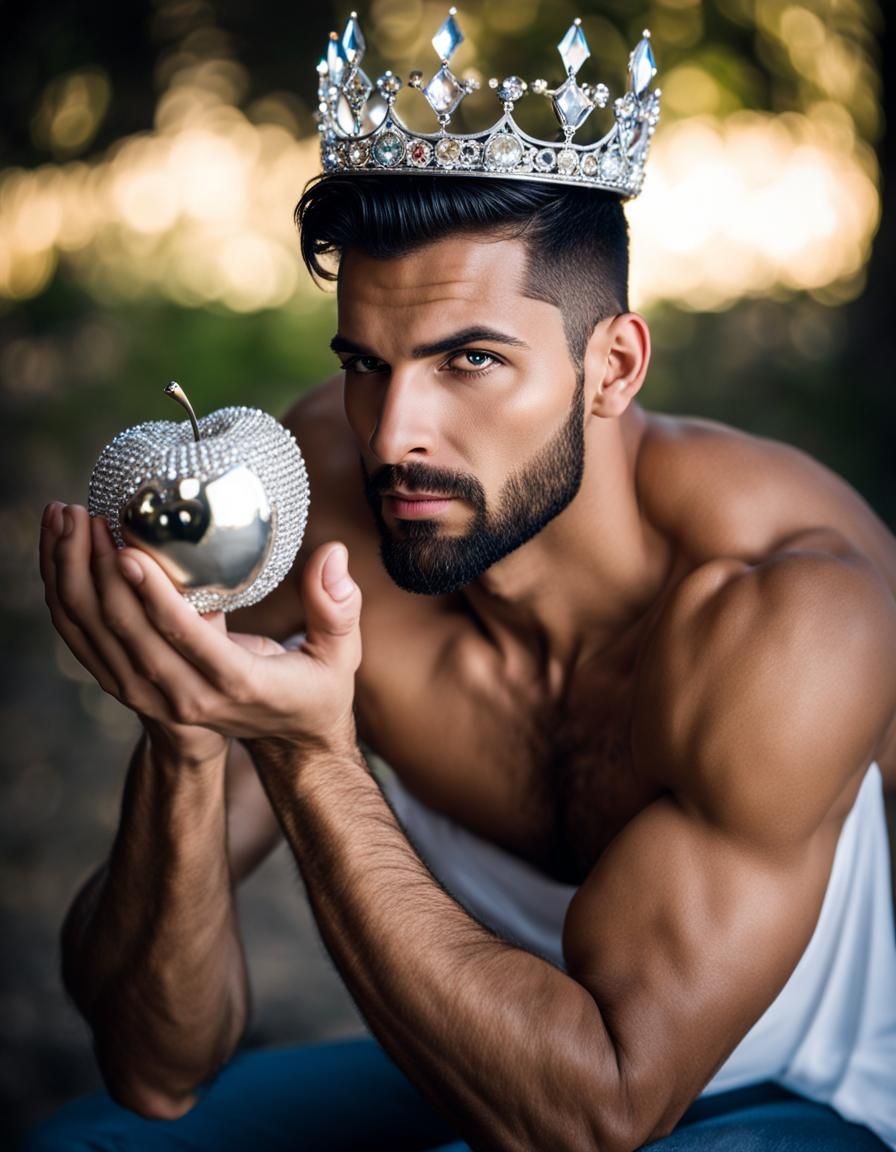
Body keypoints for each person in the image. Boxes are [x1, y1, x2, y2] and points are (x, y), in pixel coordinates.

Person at [27, 17, 896, 1152]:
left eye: (469, 361)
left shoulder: (793, 612)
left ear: (612, 368)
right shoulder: (328, 507)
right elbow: (155, 1064)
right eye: (366, 367)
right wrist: (187, 735)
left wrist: (307, 754)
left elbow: (599, 1110)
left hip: (816, 1099)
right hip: (493, 1052)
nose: (394, 437)